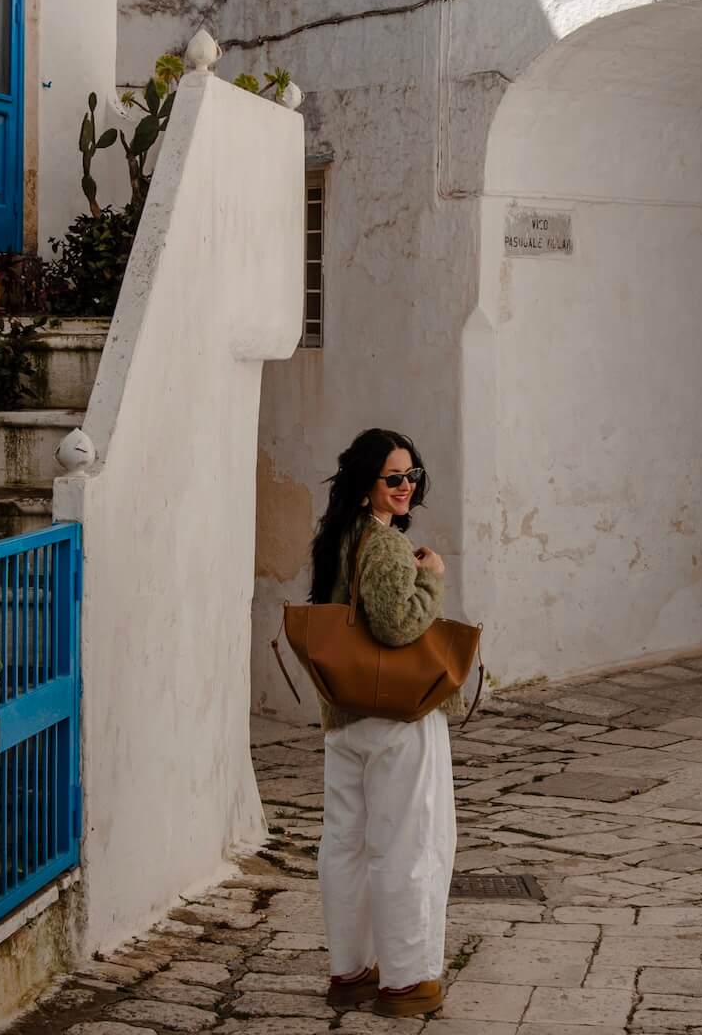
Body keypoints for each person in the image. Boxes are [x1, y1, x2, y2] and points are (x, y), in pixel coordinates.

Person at [310, 428, 463, 1020]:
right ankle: (406, 981)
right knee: (410, 844)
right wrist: (432, 575)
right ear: (367, 485)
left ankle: (349, 972)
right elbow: (398, 626)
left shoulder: (337, 541)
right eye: (393, 479)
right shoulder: (384, 545)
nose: (406, 488)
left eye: (411, 476)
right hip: (398, 716)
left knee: (346, 845)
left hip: (346, 717)